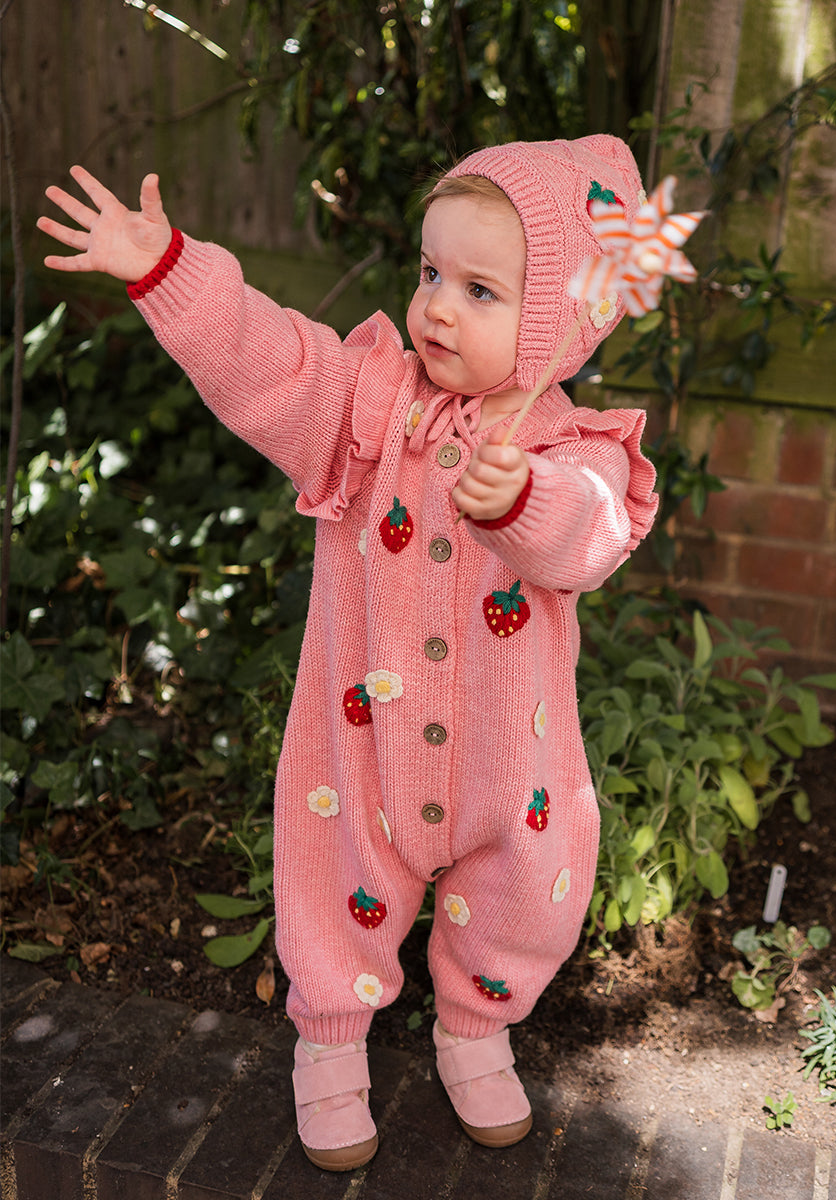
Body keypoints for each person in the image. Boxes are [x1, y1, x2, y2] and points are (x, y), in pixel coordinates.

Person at [38, 135, 659, 1172]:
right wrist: (169, 272)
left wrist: (523, 499)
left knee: (526, 881)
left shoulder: (571, 449)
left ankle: (478, 1027)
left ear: (562, 318)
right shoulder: (369, 407)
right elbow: (270, 359)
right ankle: (329, 1037)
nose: (437, 308)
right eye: (430, 273)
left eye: (480, 290)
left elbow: (588, 536)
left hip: (511, 759)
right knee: (334, 873)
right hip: (361, 737)